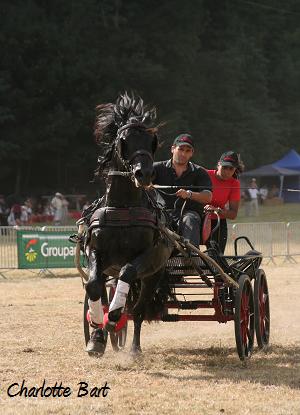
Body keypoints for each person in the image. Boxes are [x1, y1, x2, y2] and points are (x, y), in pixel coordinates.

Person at [153, 134, 212, 248]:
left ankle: (191, 257)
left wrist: (189, 194)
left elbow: (208, 197)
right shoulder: (156, 168)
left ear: (192, 153)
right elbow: (140, 182)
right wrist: (146, 185)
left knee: (190, 219)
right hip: (160, 212)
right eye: (180, 149)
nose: (183, 154)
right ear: (173, 149)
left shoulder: (199, 172)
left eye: (187, 151)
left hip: (187, 213)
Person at [204, 151, 243, 254]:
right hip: (199, 218)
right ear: (218, 164)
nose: (227, 171)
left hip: (218, 222)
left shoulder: (234, 183)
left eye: (231, 169)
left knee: (217, 256)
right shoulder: (205, 174)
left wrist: (217, 210)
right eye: (225, 167)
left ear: (235, 169)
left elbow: (233, 214)